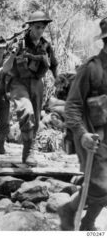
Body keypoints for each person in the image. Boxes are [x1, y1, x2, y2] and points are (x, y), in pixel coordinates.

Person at [58, 17, 107, 231]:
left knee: (101, 185)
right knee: (102, 183)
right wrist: (82, 134)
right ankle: (70, 211)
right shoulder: (91, 69)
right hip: (92, 137)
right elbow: (72, 106)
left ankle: (86, 221)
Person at [3, 11, 58, 165]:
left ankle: (29, 150)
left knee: (36, 119)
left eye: (43, 27)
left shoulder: (45, 45)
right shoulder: (19, 43)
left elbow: (53, 65)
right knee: (26, 111)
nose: (40, 30)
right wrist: (14, 54)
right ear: (31, 26)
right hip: (19, 82)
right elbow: (6, 67)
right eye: (38, 27)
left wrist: (57, 79)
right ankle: (28, 151)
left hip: (37, 83)